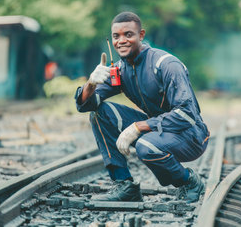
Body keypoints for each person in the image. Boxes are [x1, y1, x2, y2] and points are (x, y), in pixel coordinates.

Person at [74, 12, 209, 203]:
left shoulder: (166, 64)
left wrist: (138, 127)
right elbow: (86, 105)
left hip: (190, 134)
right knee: (99, 114)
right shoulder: (120, 70)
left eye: (128, 34)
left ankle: (189, 182)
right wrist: (90, 83)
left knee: (147, 145)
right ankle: (124, 186)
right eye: (116, 36)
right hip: (158, 130)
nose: (121, 41)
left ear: (141, 35)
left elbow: (187, 114)